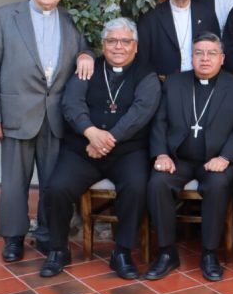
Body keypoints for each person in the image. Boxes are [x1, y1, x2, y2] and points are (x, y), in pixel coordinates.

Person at [0, 0, 94, 263]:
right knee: (14, 182)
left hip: (56, 117)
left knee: (53, 183)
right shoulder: (4, 16)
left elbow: (86, 48)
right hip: (15, 114)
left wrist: (85, 54)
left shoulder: (71, 19)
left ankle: (47, 235)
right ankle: (13, 238)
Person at [42, 18, 160, 279]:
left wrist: (107, 140)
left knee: (137, 187)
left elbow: (141, 113)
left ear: (135, 46)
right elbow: (71, 103)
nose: (118, 47)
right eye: (112, 41)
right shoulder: (88, 68)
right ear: (103, 44)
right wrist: (91, 132)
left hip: (127, 151)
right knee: (57, 187)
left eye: (125, 41)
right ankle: (58, 249)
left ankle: (122, 252)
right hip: (83, 149)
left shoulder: (147, 74)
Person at [145, 32, 233, 282]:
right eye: (199, 53)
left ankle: (209, 253)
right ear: (191, 57)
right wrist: (161, 153)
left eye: (211, 53)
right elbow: (159, 121)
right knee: (158, 182)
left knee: (217, 185)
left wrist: (225, 157)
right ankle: (167, 252)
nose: (205, 59)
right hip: (179, 159)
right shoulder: (174, 82)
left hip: (216, 159)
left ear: (222, 58)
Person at [137, 0, 219, 78]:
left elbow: (216, 51)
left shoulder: (207, 15)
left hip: (199, 81)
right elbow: (142, 59)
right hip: (163, 83)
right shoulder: (150, 18)